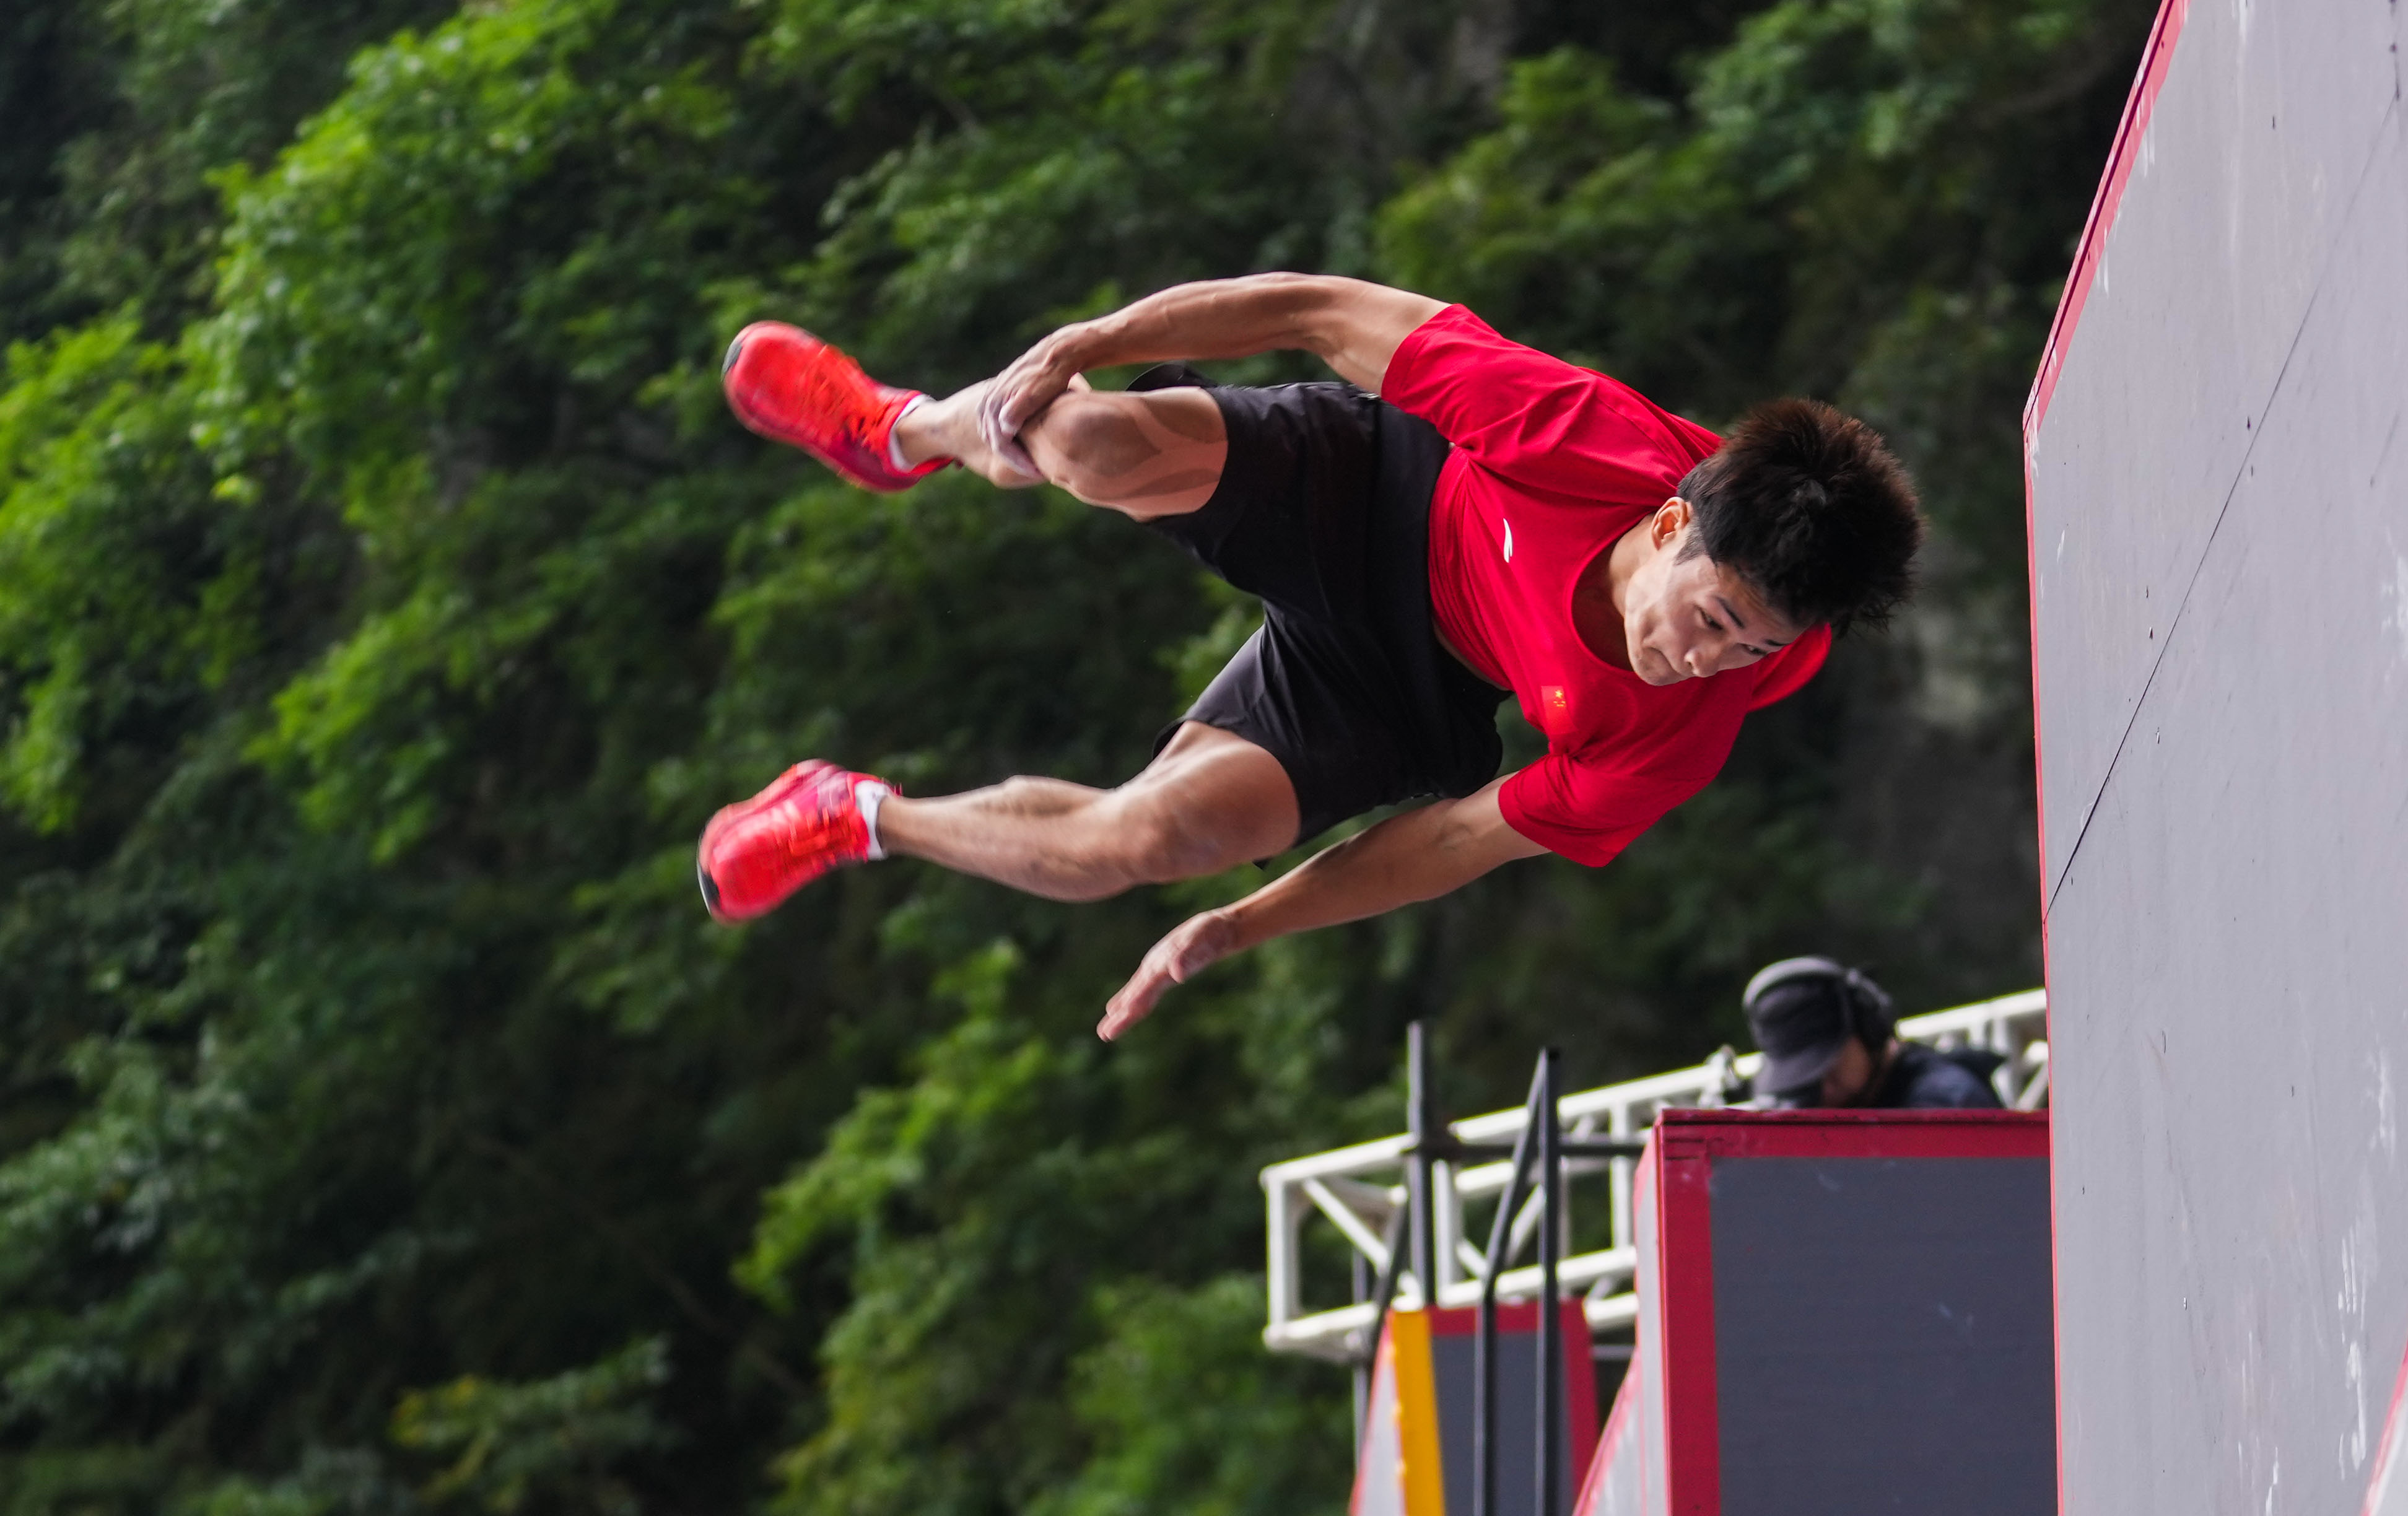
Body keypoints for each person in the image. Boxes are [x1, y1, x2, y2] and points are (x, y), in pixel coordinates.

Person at [697, 272, 1926, 1040]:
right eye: (1708, 621)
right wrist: (1096, 335)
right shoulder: (1577, 432)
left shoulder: (1670, 742)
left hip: (1413, 680)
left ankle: (847, 812)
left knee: (1143, 847)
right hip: (1384, 491)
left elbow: (1448, 842)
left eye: (1743, 655)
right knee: (1085, 440)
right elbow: (1314, 312)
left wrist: (1239, 926)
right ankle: (900, 430)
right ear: (1670, 527)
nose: (1696, 662)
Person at [1740, 956, 2002, 1109]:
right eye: (1800, 1079)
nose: (1824, 1090)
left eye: (1830, 1066)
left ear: (1870, 1030)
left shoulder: (1947, 1100)